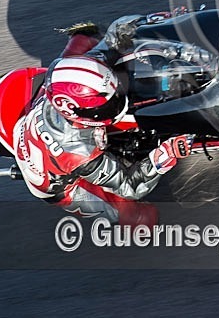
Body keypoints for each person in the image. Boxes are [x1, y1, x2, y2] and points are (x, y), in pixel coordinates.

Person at [14, 12, 191, 226]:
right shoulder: (77, 151)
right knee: (141, 219)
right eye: (106, 104)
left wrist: (157, 22)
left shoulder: (88, 68)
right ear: (82, 114)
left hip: (50, 115)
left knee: (86, 37)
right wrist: (165, 155)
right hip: (58, 182)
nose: (117, 102)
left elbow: (115, 34)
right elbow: (130, 186)